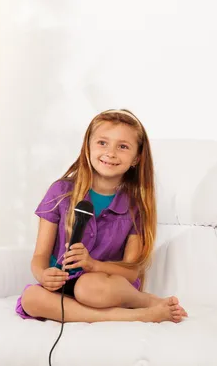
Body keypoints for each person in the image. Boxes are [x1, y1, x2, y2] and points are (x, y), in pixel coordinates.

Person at [15, 109, 187, 323]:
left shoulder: (135, 208)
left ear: (136, 158)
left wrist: (93, 265)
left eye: (123, 146)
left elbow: (131, 272)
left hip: (105, 286)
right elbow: (40, 255)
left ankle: (141, 301)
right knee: (31, 298)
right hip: (64, 285)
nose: (111, 153)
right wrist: (43, 275)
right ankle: (139, 315)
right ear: (88, 147)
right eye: (102, 143)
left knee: (88, 288)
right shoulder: (60, 193)